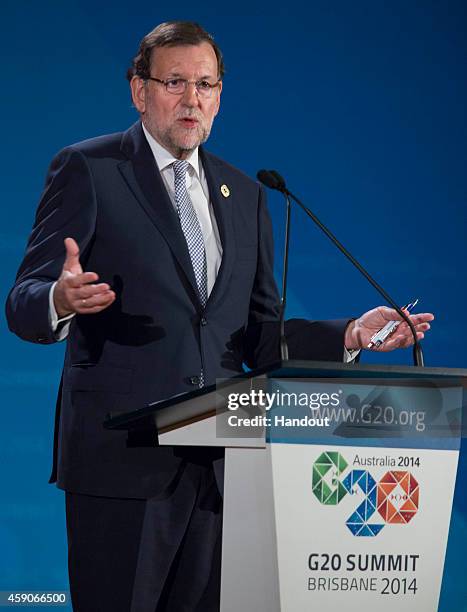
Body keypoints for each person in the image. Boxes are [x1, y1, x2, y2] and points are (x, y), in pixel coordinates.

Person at [5, 21, 433, 612]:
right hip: (123, 464)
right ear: (138, 89)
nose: (192, 99)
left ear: (221, 95)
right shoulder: (91, 169)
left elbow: (257, 333)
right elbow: (22, 299)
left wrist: (351, 335)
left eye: (205, 84)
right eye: (174, 81)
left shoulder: (246, 193)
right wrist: (60, 298)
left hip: (226, 469)